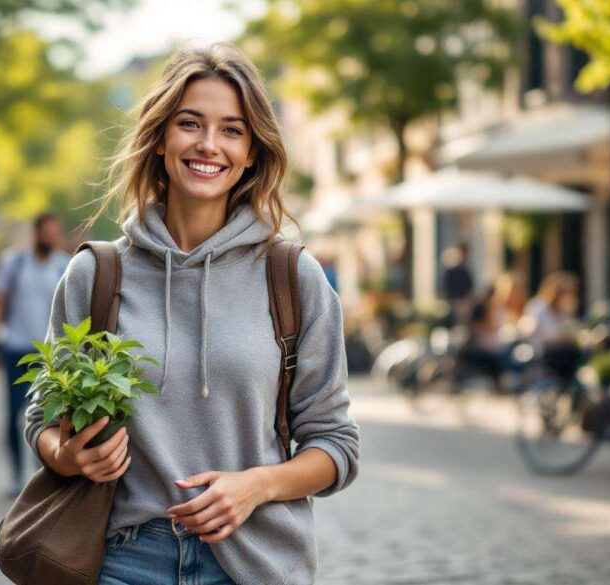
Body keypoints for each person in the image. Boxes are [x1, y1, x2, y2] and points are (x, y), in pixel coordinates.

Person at [25, 43, 360, 585]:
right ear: (160, 138)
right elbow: (42, 420)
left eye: (232, 129)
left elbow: (335, 445)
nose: (209, 144)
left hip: (255, 561)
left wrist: (258, 485)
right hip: (123, 559)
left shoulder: (293, 277)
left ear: (252, 152)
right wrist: (68, 457)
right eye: (190, 123)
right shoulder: (96, 275)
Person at [0, 212, 71, 492]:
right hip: (15, 349)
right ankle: (15, 474)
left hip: (49, 356)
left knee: (47, 416)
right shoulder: (15, 263)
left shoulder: (64, 266)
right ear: (36, 233)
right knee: (13, 413)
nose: (50, 238)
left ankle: (40, 473)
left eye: (55, 233)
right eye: (46, 232)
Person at [441, 244, 474, 326]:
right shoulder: (452, 272)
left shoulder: (463, 270)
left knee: (461, 320)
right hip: (456, 300)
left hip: (461, 299)